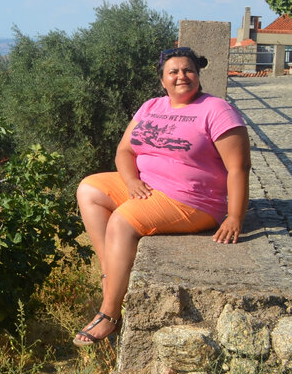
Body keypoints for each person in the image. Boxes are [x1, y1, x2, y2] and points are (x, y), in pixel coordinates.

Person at [73, 46, 251, 346]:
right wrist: (130, 181)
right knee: (89, 189)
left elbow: (239, 167)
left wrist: (235, 217)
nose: (182, 76)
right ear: (162, 79)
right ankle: (111, 279)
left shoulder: (217, 110)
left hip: (192, 200)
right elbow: (124, 151)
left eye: (188, 70)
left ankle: (109, 314)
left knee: (122, 221)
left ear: (198, 74)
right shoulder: (151, 107)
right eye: (174, 71)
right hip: (147, 186)